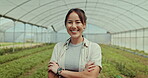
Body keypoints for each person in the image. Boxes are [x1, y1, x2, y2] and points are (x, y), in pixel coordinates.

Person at [48, 8, 102, 78]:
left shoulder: (93, 48)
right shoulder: (58, 47)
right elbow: (51, 74)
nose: (73, 26)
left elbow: (91, 76)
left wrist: (59, 71)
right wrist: (83, 74)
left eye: (78, 22)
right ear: (66, 25)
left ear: (84, 25)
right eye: (70, 22)